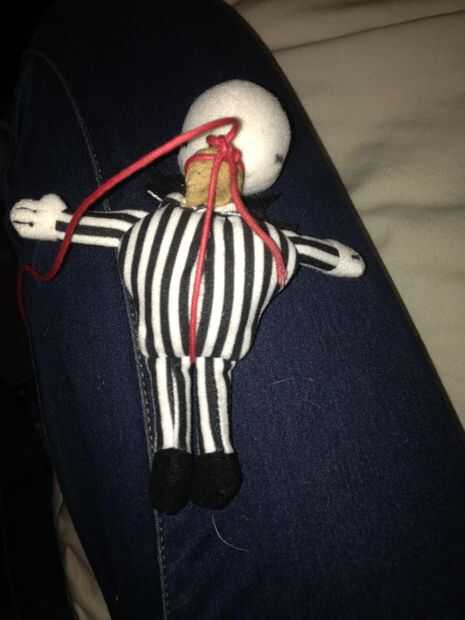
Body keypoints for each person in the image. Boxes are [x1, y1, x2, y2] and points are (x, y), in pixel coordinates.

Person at [3, 2, 465, 618]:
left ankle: (214, 454)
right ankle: (173, 453)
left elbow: (309, 248)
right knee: (172, 378)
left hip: (216, 348)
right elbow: (108, 226)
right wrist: (57, 221)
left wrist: (338, 256)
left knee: (207, 380)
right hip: (162, 340)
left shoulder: (260, 237)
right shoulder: (166, 222)